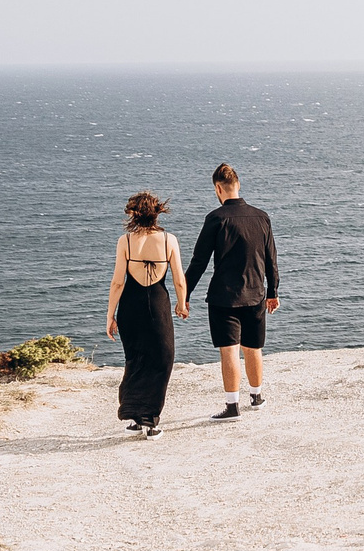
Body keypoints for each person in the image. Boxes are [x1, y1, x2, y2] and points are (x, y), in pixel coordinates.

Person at [183, 162, 281, 420]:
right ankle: (257, 397)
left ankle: (232, 406)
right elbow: (271, 258)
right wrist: (273, 292)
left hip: (223, 297)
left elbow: (198, 262)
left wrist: (184, 295)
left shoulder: (215, 219)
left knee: (229, 350)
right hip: (256, 293)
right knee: (253, 348)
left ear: (218, 188)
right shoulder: (261, 217)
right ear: (238, 186)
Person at [103, 191, 188, 439]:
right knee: (162, 359)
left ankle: (137, 416)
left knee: (136, 359)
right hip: (158, 305)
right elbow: (179, 279)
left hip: (131, 306)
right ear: (156, 212)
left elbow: (118, 282)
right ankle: (150, 420)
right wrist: (182, 304)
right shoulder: (168, 240)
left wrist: (110, 315)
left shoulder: (126, 241)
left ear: (134, 214)